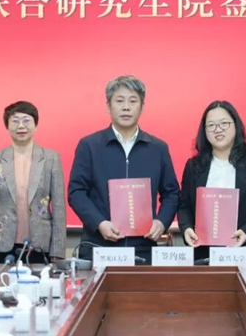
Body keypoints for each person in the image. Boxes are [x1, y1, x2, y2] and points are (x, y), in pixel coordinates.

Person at [68, 76, 180, 263]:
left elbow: (172, 193)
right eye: (119, 101)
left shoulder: (158, 148)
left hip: (143, 249)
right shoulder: (89, 145)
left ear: (142, 107)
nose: (126, 107)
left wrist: (161, 222)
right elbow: (76, 192)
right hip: (99, 247)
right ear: (108, 106)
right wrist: (99, 223)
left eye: (133, 101)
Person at [177, 101, 246, 261]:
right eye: (211, 125)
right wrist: (186, 228)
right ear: (204, 131)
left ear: (236, 125)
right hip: (205, 255)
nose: (218, 129)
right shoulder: (194, 166)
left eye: (224, 123)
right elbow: (184, 206)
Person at [0, 101, 66, 264]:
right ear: (7, 126)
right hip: (3, 244)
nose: (21, 126)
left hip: (41, 244)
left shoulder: (51, 158)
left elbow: (59, 207)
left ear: (36, 126)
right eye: (15, 121)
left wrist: (58, 250)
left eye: (26, 120)